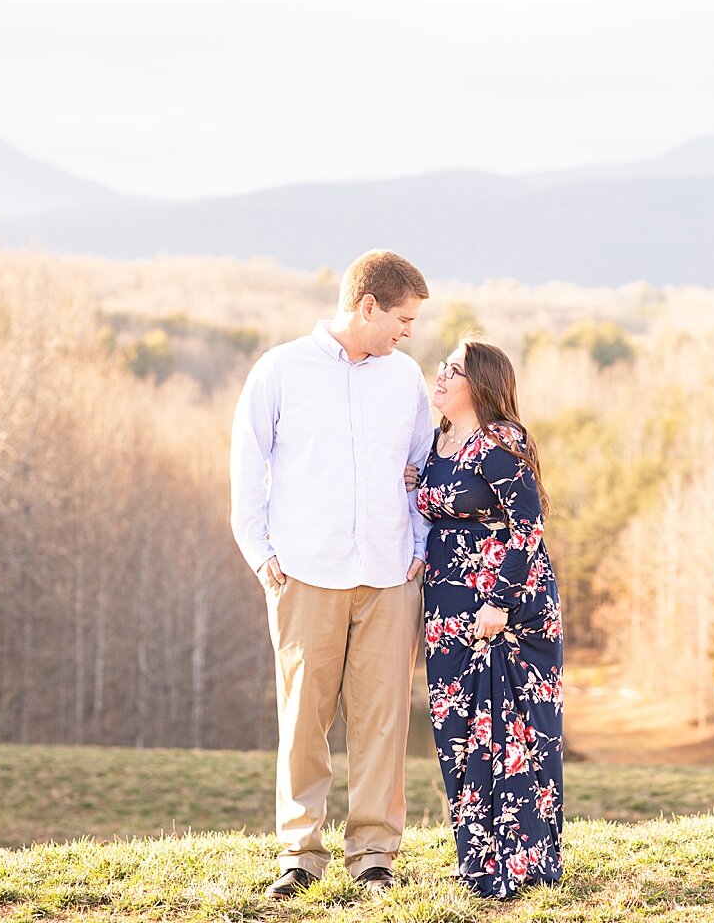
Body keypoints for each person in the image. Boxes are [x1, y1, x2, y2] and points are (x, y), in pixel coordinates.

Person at [229, 249, 433, 899]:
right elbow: (245, 471)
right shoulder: (280, 371)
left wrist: (420, 543)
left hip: (387, 575)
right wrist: (261, 553)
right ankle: (300, 854)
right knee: (304, 719)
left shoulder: (405, 379)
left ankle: (374, 855)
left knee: (382, 720)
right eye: (401, 318)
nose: (409, 331)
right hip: (304, 577)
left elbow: (422, 470)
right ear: (366, 305)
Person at [414, 339, 565, 898]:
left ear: (479, 384)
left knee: (510, 734)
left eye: (453, 370)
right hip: (449, 610)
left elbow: (528, 525)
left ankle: (521, 865)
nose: (441, 375)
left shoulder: (500, 444)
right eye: (442, 366)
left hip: (505, 610)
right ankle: (478, 860)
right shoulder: (441, 441)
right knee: (458, 732)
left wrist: (500, 602)